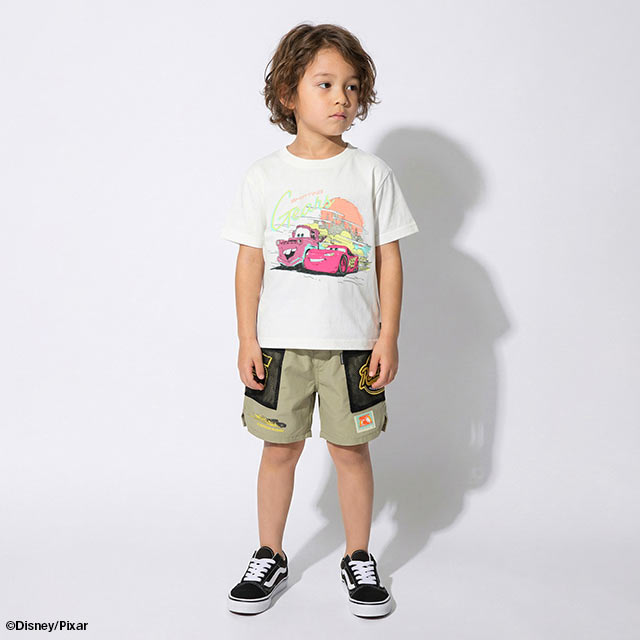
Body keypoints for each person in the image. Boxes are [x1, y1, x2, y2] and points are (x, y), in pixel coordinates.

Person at [220, 22, 419, 618]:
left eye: (352, 87)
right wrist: (246, 338)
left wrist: (388, 334)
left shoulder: (371, 173)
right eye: (325, 84)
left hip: (354, 346)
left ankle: (358, 555)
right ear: (289, 94)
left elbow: (389, 259)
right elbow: (249, 263)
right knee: (278, 450)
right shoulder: (263, 176)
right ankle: (270, 553)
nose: (342, 98)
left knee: (351, 453)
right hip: (279, 346)